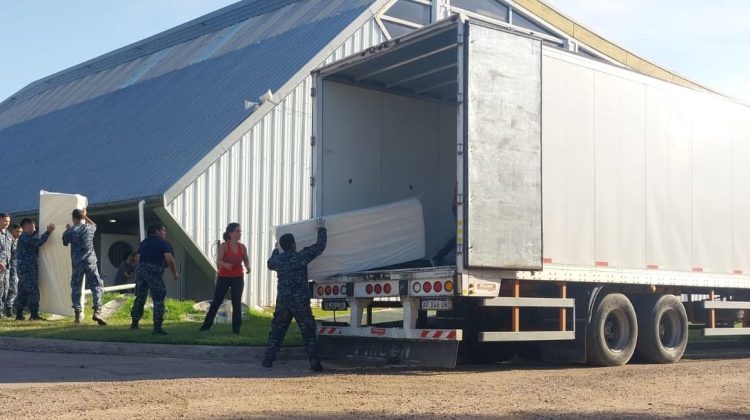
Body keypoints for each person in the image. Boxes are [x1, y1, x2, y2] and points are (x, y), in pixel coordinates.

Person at [262, 219, 327, 371]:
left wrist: (276, 249)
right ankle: (315, 363)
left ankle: (268, 359)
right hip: (300, 301)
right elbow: (320, 246)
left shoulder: (278, 260)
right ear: (293, 244)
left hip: (283, 301)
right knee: (308, 331)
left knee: (278, 330)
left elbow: (270, 262)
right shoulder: (300, 257)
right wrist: (321, 228)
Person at [200, 223, 250, 334]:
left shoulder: (242, 247)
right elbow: (219, 260)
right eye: (237, 231)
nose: (239, 233)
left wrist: (248, 266)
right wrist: (225, 264)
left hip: (238, 277)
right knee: (217, 301)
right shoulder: (224, 246)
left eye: (240, 231)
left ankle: (236, 330)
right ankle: (206, 326)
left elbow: (246, 259)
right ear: (230, 233)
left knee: (236, 303)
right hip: (224, 277)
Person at [130, 222, 179, 335]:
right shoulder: (163, 243)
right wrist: (174, 273)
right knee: (158, 298)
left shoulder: (143, 243)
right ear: (157, 231)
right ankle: (157, 327)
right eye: (163, 230)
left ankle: (134, 323)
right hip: (153, 270)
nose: (164, 232)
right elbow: (169, 259)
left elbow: (138, 257)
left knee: (140, 297)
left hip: (140, 270)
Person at [62, 208, 106, 325]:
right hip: (90, 261)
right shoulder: (90, 228)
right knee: (96, 286)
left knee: (76, 288)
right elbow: (93, 224)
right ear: (82, 217)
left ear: (73, 218)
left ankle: (77, 315)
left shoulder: (71, 231)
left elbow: (65, 242)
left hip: (77, 263)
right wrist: (85, 216)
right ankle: (97, 311)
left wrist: (68, 230)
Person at [15, 218, 55, 320]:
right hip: (27, 269)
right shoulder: (25, 237)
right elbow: (38, 243)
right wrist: (48, 232)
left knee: (23, 292)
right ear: (26, 226)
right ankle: (34, 315)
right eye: (33, 225)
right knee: (33, 292)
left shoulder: (25, 237)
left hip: (24, 269)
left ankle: (19, 315)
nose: (34, 227)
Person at [5, 223, 23, 317]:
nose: (19, 233)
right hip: (10, 268)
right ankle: (8, 309)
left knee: (13, 288)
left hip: (17, 268)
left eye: (20, 232)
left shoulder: (19, 241)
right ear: (12, 231)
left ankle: (9, 308)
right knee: (12, 289)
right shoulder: (9, 240)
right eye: (17, 231)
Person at [0, 213, 12, 318]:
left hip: (6, 268)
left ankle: (2, 311)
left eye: (8, 221)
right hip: (0, 266)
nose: (6, 223)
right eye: (4, 221)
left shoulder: (8, 234)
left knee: (5, 289)